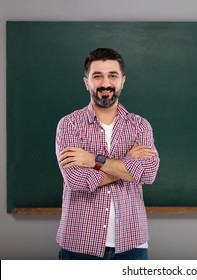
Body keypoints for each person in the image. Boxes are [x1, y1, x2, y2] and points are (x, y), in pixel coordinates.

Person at [55, 48, 160, 260]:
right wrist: (129, 165)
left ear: (122, 81)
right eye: (97, 76)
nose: (105, 83)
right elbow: (76, 180)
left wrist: (94, 160)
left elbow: (148, 174)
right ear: (86, 82)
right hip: (79, 242)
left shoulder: (140, 126)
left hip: (132, 243)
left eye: (113, 75)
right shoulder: (69, 125)